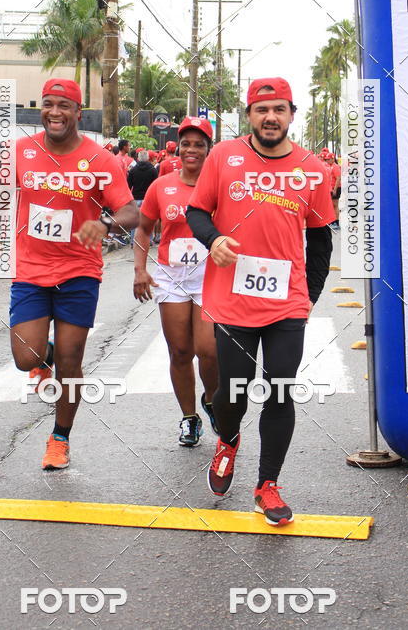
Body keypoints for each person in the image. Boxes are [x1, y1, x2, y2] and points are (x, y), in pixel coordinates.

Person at [186, 78, 333, 526]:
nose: (271, 117)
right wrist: (213, 240)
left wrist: (308, 297)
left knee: (280, 390)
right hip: (233, 299)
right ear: (249, 115)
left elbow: (321, 239)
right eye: (262, 109)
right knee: (233, 391)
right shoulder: (223, 156)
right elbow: (197, 211)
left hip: (286, 302)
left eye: (279, 109)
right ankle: (227, 439)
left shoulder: (311, 168)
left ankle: (267, 486)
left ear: (291, 115)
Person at [10, 79, 139, 471]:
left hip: (79, 271)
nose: (54, 112)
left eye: (64, 105)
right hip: (30, 269)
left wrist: (104, 223)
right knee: (25, 357)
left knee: (70, 361)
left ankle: (59, 438)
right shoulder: (21, 151)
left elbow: (131, 211)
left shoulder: (100, 159)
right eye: (48, 104)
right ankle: (42, 356)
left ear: (78, 112)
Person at [133, 116, 218, 447]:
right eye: (186, 144)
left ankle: (210, 399)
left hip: (211, 275)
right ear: (178, 148)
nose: (191, 150)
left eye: (199, 144)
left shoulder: (220, 186)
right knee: (181, 351)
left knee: (208, 350)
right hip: (172, 277)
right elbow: (143, 229)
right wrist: (140, 270)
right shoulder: (162, 186)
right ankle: (189, 417)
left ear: (209, 149)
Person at [127, 149, 157, 246]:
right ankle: (149, 240)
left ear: (138, 158)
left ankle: (133, 241)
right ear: (148, 158)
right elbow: (155, 185)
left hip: (135, 197)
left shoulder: (133, 170)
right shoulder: (153, 170)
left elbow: (128, 186)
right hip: (148, 198)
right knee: (148, 220)